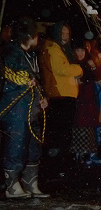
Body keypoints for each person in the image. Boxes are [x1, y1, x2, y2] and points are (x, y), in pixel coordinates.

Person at [1, 17, 49, 198]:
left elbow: (38, 81)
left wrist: (42, 97)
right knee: (17, 144)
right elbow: (12, 78)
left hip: (32, 109)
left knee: (33, 145)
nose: (38, 40)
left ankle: (31, 182)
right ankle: (12, 185)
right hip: (16, 109)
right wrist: (24, 82)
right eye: (36, 36)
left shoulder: (32, 55)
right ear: (28, 36)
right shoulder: (10, 53)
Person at [40, 21, 83, 160]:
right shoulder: (53, 48)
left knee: (62, 131)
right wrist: (79, 69)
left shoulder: (61, 48)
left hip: (64, 94)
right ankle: (59, 162)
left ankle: (61, 161)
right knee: (61, 132)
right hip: (60, 95)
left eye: (67, 33)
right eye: (62, 33)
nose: (65, 36)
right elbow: (62, 69)